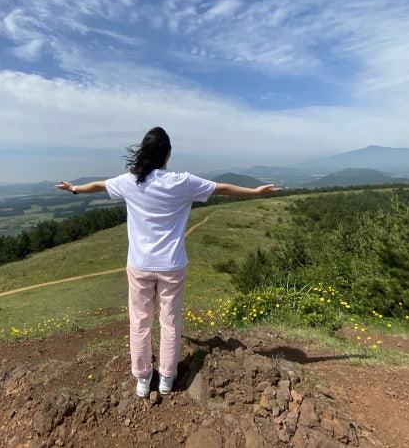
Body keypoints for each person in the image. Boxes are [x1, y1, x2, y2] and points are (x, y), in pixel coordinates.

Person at [56, 126, 281, 397]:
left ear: (144, 153)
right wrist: (256, 192)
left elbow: (99, 186)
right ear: (168, 154)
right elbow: (221, 189)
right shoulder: (181, 182)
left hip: (139, 264)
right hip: (172, 265)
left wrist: (74, 189)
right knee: (170, 321)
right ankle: (166, 377)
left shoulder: (130, 181)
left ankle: (142, 378)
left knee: (139, 322)